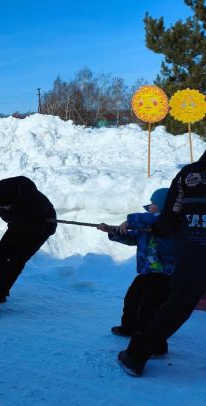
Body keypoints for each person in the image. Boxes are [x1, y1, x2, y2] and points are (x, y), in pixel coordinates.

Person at [118, 149, 206, 377]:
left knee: (177, 306)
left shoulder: (190, 174)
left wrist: (153, 227)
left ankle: (136, 356)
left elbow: (169, 219)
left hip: (196, 250)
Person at [97, 188, 175, 357]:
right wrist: (114, 231)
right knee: (132, 299)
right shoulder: (147, 226)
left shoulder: (170, 222)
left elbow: (150, 219)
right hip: (147, 273)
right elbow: (133, 238)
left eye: (153, 204)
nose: (149, 207)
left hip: (164, 275)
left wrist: (129, 221)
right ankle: (129, 327)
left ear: (163, 205)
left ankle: (157, 346)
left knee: (151, 309)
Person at [0, 176, 57, 316]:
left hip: (39, 228)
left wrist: (18, 238)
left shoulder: (33, 204)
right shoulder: (6, 189)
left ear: (16, 200)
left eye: (7, 206)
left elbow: (32, 230)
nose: (3, 208)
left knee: (15, 262)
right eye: (1, 206)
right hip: (18, 224)